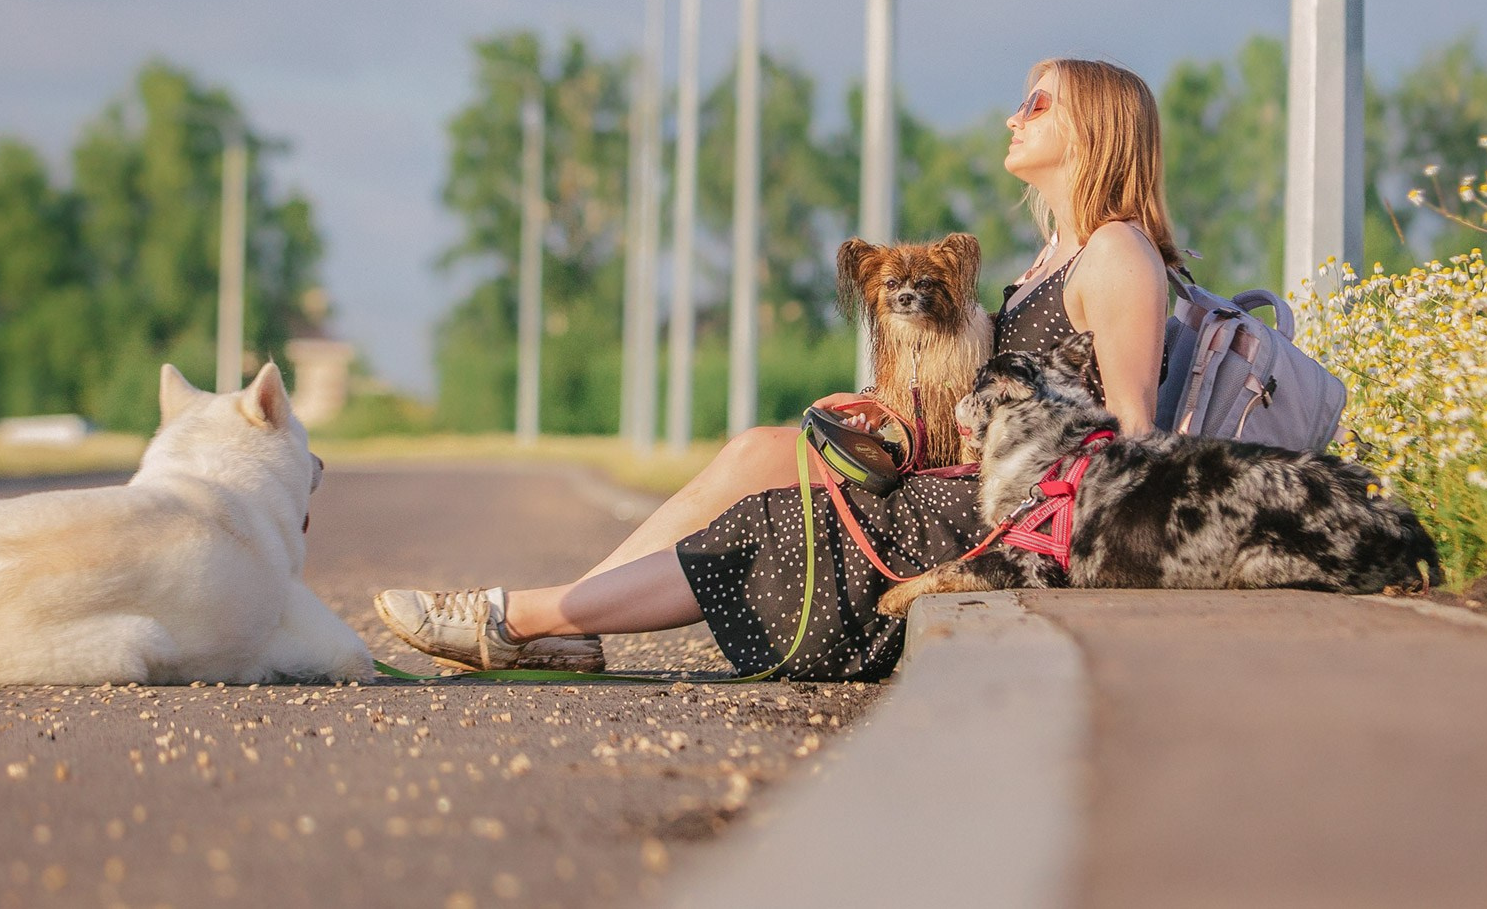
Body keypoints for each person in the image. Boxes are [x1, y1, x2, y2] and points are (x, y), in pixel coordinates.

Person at [374, 57, 1185, 679]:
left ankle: (518, 618)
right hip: (965, 478)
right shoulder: (1058, 254)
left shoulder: (1117, 253)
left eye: (1038, 103)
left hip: (990, 518)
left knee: (768, 524)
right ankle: (573, 624)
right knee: (761, 452)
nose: (1014, 115)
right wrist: (894, 416)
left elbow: (1132, 440)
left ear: (1094, 128)